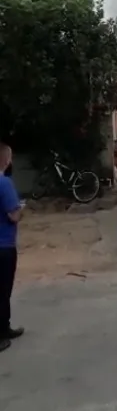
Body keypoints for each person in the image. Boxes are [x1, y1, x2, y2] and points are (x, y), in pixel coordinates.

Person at [0, 143, 24, 352]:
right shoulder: (4, 183)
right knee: (3, 290)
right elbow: (13, 215)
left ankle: (5, 328)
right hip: (4, 245)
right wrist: (20, 209)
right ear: (6, 160)